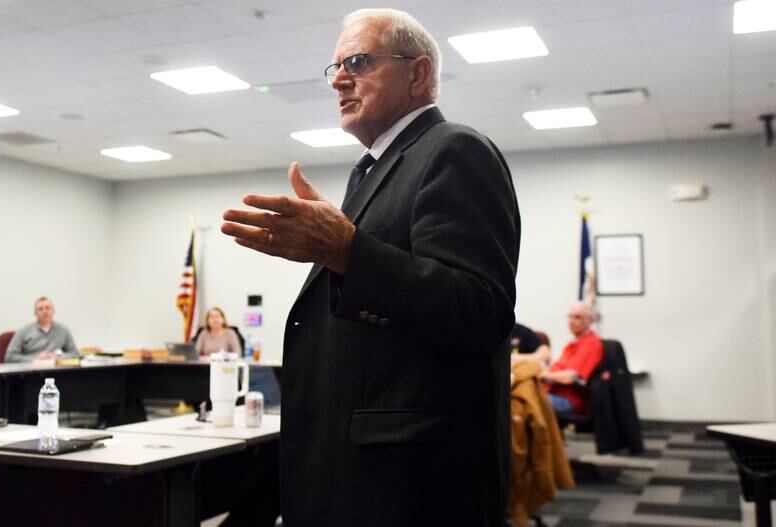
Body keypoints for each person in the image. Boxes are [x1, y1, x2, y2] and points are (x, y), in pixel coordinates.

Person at [221, 8, 520, 527]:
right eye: (334, 67)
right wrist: (344, 247)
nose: (339, 79)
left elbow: (481, 311)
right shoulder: (379, 169)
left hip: (413, 481)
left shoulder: (453, 150)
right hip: (356, 464)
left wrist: (345, 250)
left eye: (358, 62)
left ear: (418, 73)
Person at [540, 302, 603, 415]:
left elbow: (570, 377)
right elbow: (555, 370)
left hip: (568, 400)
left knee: (521, 401)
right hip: (553, 393)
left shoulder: (591, 343)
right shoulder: (572, 344)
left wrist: (542, 375)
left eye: (577, 317)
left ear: (590, 321)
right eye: (570, 316)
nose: (571, 321)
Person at [5, 297, 78, 363]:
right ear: (35, 313)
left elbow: (75, 354)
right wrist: (34, 359)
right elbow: (9, 357)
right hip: (30, 372)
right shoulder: (23, 331)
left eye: (47, 308)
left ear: (53, 311)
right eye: (40, 309)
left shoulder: (63, 330)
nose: (44, 311)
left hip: (55, 371)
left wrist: (57, 357)